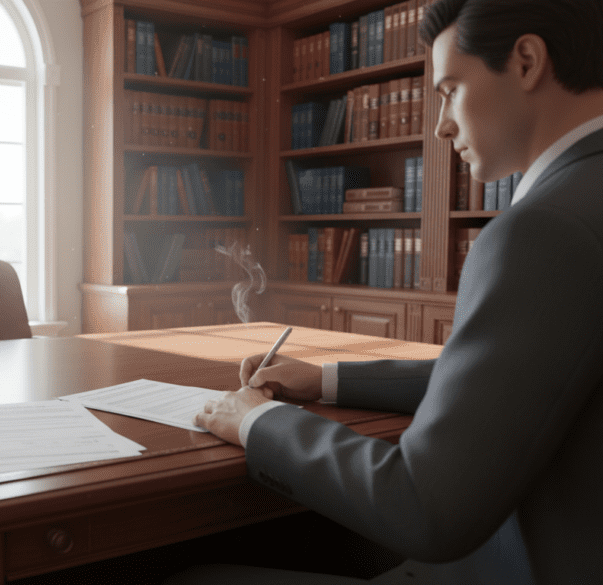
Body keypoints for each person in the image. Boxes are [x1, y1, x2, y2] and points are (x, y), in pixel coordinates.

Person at [174, 0, 603, 583]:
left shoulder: (543, 231)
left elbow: (425, 507)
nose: (441, 125)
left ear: (527, 61)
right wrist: (327, 380)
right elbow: (523, 378)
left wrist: (259, 420)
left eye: (450, 90)